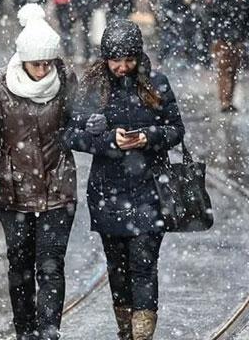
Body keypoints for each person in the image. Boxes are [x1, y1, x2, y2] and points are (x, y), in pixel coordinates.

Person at [64, 19, 184, 340]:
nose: (122, 67)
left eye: (128, 59)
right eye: (115, 60)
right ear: (105, 58)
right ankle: (125, 330)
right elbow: (71, 135)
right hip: (108, 193)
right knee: (117, 268)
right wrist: (108, 142)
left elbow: (176, 130)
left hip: (150, 190)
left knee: (143, 264)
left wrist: (148, 137)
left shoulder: (156, 85)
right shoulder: (92, 90)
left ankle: (142, 334)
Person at [0, 3, 77, 340]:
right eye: (37, 64)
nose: (44, 70)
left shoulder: (66, 79)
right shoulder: (0, 84)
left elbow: (80, 124)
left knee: (50, 265)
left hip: (58, 189)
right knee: (20, 266)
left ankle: (48, 330)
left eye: (48, 63)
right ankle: (24, 330)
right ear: (23, 60)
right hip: (13, 193)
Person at [204, 0, 249, 112]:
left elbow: (247, 16)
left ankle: (227, 100)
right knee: (227, 71)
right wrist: (239, 1)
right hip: (227, 39)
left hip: (231, 38)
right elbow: (221, 14)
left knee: (230, 71)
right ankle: (225, 101)